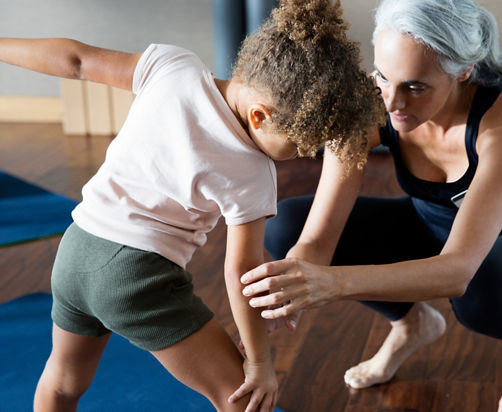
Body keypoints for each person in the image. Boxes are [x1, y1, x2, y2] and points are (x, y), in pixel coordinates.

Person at [0, 1, 383, 411]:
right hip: (136, 278)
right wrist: (258, 361)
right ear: (260, 116)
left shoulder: (172, 65)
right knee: (244, 398)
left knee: (61, 382)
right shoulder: (253, 173)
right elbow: (241, 272)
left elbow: (75, 60)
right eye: (301, 144)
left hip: (75, 252)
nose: (304, 154)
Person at [240, 0, 502, 410]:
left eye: (416, 87)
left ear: (463, 70)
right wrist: (287, 296)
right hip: (433, 230)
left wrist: (335, 283)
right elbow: (317, 239)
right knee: (287, 224)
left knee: (485, 285)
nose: (392, 102)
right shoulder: (373, 99)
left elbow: (458, 271)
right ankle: (411, 323)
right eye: (383, 76)